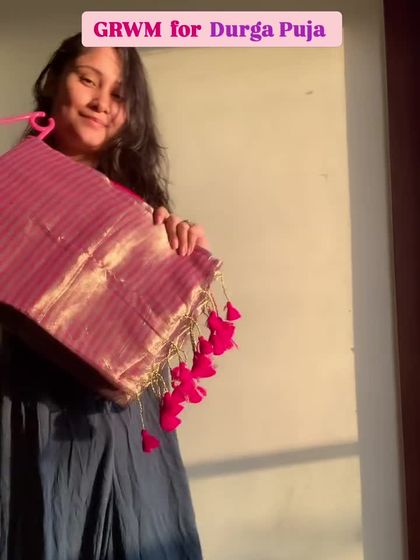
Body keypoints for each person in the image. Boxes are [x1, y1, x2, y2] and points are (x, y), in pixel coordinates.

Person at [0, 32, 209, 560]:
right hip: (24, 410)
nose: (100, 103)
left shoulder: (143, 214)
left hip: (121, 426)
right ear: (54, 81)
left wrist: (171, 248)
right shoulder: (6, 189)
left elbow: (146, 340)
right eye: (87, 80)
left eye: (118, 94)